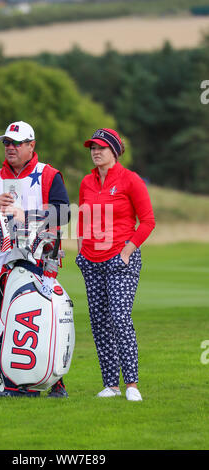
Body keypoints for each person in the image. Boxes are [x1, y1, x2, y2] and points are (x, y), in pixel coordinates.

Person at [0, 120, 70, 398]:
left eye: (16, 143)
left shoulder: (48, 174)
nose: (10, 148)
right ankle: (10, 381)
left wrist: (27, 216)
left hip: (36, 260)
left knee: (39, 321)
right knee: (3, 322)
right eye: (6, 143)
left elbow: (63, 213)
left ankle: (53, 382)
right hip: (0, 263)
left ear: (31, 146)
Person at [76, 128, 155, 401]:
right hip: (92, 260)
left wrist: (127, 251)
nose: (95, 152)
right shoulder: (86, 182)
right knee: (99, 322)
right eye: (92, 148)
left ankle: (131, 384)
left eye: (101, 148)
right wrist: (80, 253)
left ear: (114, 152)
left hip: (121, 258)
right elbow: (83, 219)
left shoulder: (130, 180)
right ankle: (110, 384)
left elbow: (147, 222)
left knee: (119, 318)